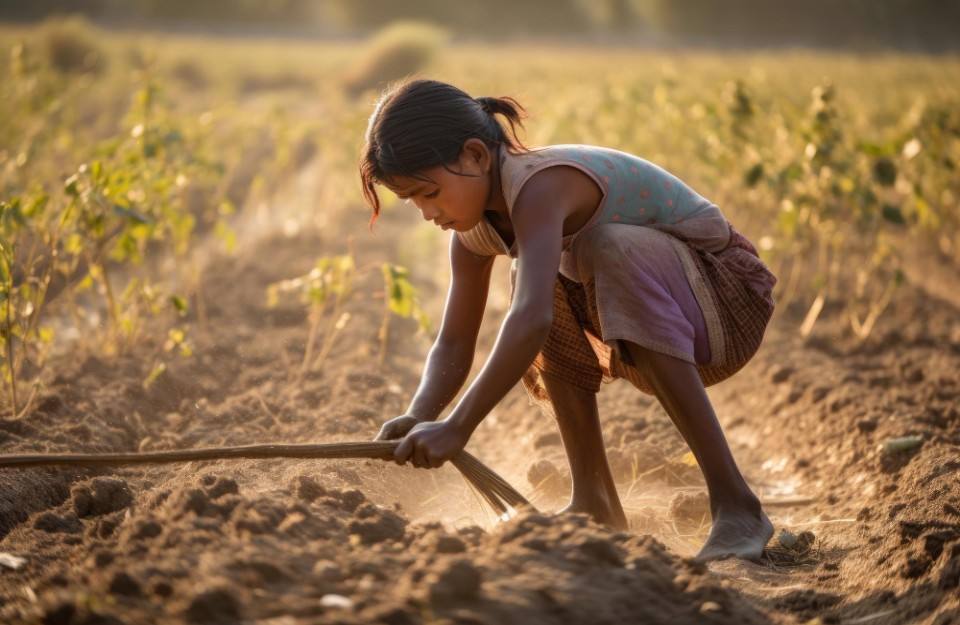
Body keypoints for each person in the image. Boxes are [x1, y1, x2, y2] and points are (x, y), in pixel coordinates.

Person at [360, 79, 776, 562]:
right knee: (537, 275)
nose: (428, 213)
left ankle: (736, 502)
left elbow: (529, 320)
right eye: (413, 201)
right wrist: (421, 413)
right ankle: (594, 500)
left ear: (475, 156)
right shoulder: (473, 233)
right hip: (652, 326)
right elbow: (454, 343)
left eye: (431, 192)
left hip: (725, 301)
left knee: (596, 251)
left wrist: (459, 425)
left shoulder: (540, 186)